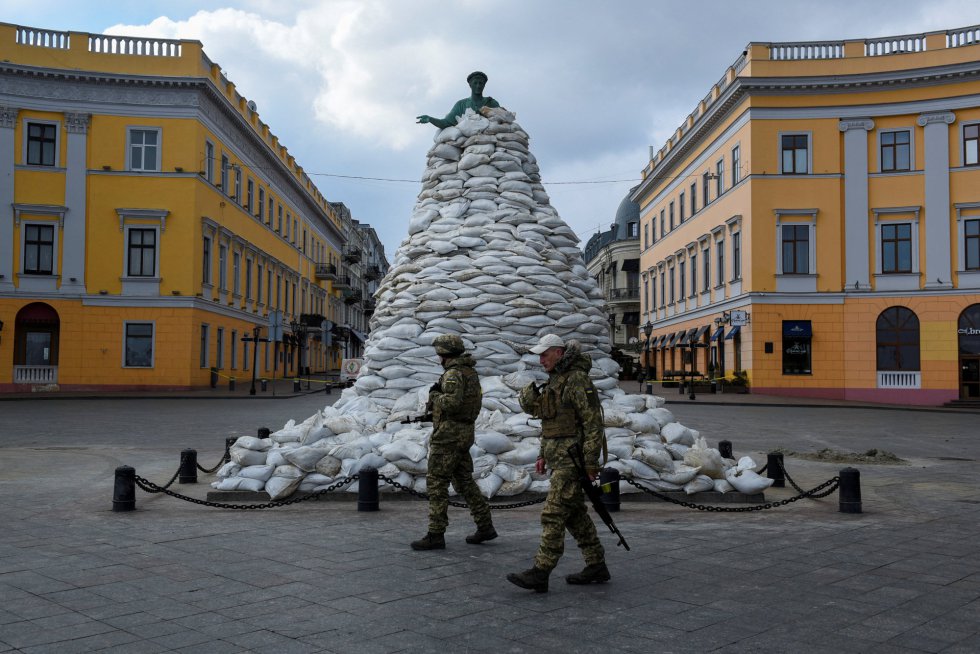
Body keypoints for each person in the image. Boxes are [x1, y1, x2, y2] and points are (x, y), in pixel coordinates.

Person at [507, 334, 609, 592]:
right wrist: (543, 454)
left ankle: (541, 571)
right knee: (575, 516)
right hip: (560, 458)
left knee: (553, 514)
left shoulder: (576, 380)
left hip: (573, 462)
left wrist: (589, 463)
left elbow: (592, 423)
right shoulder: (556, 381)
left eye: (545, 354)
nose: (540, 360)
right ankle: (596, 564)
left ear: (559, 354)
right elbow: (550, 422)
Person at [411, 334, 497, 550]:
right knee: (464, 482)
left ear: (444, 354)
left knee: (437, 483)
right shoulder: (470, 372)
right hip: (464, 433)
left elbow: (452, 402)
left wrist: (434, 396)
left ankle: (435, 533)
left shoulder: (453, 374)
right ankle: (485, 526)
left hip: (448, 436)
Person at [416, 70, 501, 129]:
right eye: (475, 83)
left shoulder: (491, 103)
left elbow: (501, 120)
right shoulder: (461, 105)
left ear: (484, 85)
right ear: (470, 85)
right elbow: (446, 123)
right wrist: (430, 119)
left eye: (481, 83)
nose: (478, 86)